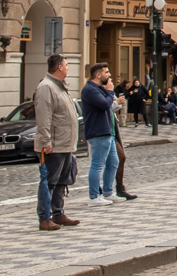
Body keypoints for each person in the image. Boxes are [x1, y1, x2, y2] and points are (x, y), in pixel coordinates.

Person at [34, 53, 80, 230]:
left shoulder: (60, 86)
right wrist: (46, 141)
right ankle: (45, 217)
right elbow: (44, 117)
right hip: (54, 144)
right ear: (59, 67)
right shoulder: (46, 87)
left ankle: (58, 213)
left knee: (62, 180)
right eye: (67, 65)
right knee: (49, 181)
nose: (68, 68)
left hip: (65, 143)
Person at [79, 62, 123, 207]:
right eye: (106, 72)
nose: (109, 75)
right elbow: (105, 104)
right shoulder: (90, 90)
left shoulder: (99, 89)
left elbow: (109, 103)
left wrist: (108, 92)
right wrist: (110, 91)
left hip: (107, 131)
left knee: (113, 162)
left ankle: (108, 192)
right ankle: (93, 196)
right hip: (98, 131)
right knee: (97, 164)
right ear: (98, 75)